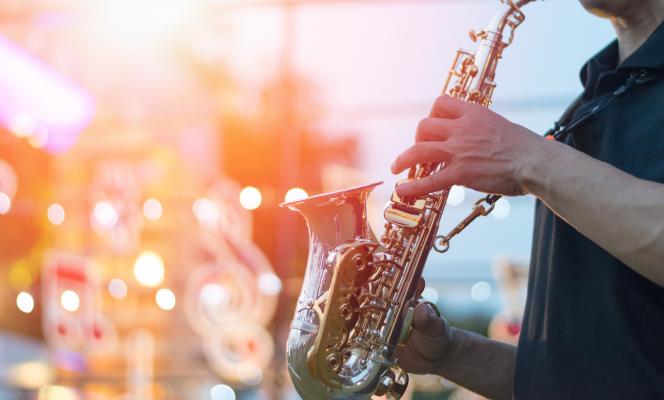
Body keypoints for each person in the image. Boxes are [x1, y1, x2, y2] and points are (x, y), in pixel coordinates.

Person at [393, 0, 664, 399]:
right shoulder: (586, 110)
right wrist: (449, 352)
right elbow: (577, 376)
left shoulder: (547, 154)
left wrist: (527, 158)